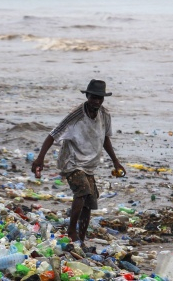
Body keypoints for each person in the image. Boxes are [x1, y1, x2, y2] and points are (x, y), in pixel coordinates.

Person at [32, 79, 125, 245]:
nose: (96, 101)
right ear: (87, 96)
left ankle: (80, 239)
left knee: (90, 201)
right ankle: (71, 230)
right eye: (93, 97)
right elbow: (53, 135)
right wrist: (40, 158)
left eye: (100, 98)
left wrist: (116, 162)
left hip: (89, 164)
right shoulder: (77, 115)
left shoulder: (105, 115)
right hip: (72, 161)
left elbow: (105, 139)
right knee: (82, 191)